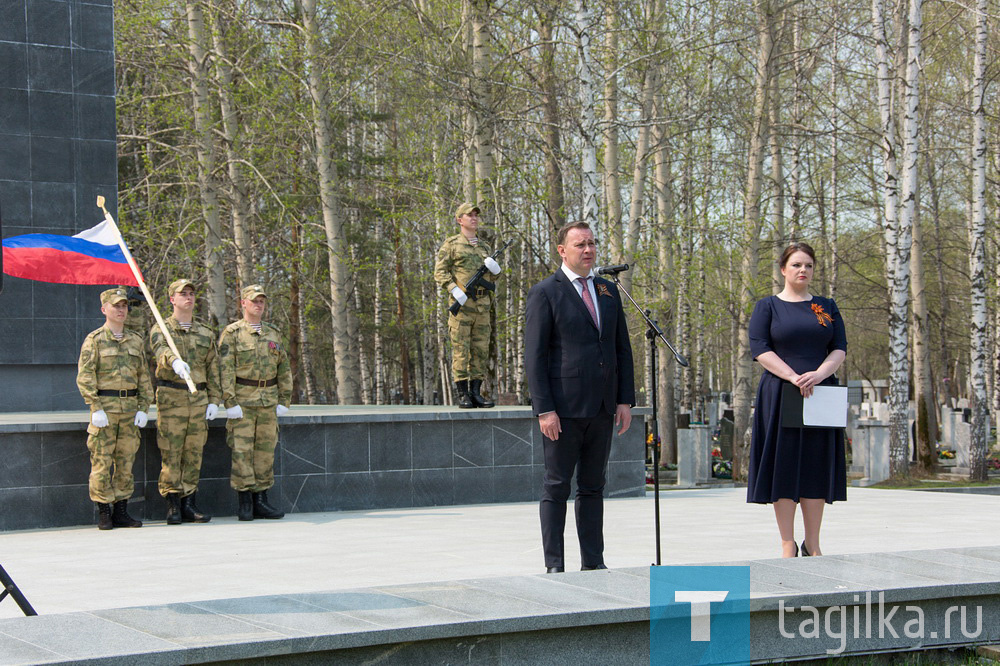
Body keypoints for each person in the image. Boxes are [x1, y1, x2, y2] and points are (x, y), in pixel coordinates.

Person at [524, 221, 635, 573]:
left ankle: (594, 562)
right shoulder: (546, 292)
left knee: (592, 487)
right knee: (557, 486)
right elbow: (534, 356)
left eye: (591, 243)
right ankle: (555, 564)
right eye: (579, 245)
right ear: (562, 251)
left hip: (602, 407)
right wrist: (545, 409)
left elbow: (621, 347)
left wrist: (624, 399)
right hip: (563, 409)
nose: (588, 250)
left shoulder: (607, 289)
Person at [747, 242, 848, 558]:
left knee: (815, 467)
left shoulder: (826, 306)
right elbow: (760, 349)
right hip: (781, 393)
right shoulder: (768, 307)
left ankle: (813, 542)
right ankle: (788, 542)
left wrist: (818, 374)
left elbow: (839, 347)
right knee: (785, 465)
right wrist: (793, 377)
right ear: (783, 269)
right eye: (796, 265)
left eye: (808, 265)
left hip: (821, 392)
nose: (803, 270)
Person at [77, 287, 154, 530]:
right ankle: (103, 511)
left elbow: (143, 376)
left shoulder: (135, 340)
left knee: (125, 462)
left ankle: (121, 510)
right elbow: (85, 376)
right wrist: (95, 406)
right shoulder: (95, 340)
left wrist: (144, 406)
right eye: (116, 306)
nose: (121, 310)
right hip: (106, 410)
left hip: (130, 409)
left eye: (124, 306)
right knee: (101, 462)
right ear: (104, 309)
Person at [149, 279, 222, 525]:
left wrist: (214, 399)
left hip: (198, 398)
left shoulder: (204, 332)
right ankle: (172, 504)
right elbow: (160, 349)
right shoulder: (162, 327)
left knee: (194, 452)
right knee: (171, 451)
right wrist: (173, 362)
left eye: (191, 293)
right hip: (172, 397)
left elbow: (213, 368)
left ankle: (189, 503)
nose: (188, 298)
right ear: (172, 299)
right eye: (183, 294)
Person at [218, 284, 292, 521]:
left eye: (261, 301)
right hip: (243, 399)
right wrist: (229, 401)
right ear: (243, 303)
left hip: (268, 400)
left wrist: (284, 399)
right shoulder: (232, 333)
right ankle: (245, 501)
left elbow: (284, 367)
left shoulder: (273, 332)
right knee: (242, 451)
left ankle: (261, 499)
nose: (258, 305)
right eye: (254, 301)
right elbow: (225, 369)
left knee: (265, 452)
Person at [433, 202, 502, 409]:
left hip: (482, 306)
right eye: (469, 215)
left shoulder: (484, 247)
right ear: (459, 219)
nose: (474, 218)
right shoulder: (451, 244)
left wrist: (496, 270)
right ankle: (463, 394)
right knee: (461, 350)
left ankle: (476, 392)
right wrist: (454, 289)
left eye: (476, 215)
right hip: (462, 306)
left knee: (480, 350)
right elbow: (439, 272)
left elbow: (494, 277)